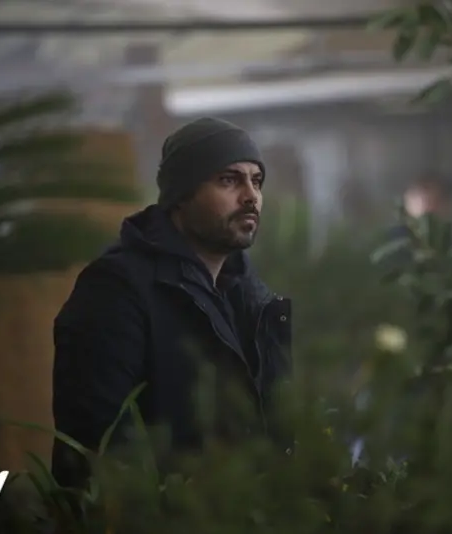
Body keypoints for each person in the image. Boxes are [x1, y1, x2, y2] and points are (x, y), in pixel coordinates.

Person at [51, 117, 292, 488]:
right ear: (181, 194)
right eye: (228, 180)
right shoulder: (116, 289)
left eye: (256, 181)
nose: (250, 197)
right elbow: (97, 444)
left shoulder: (250, 296)